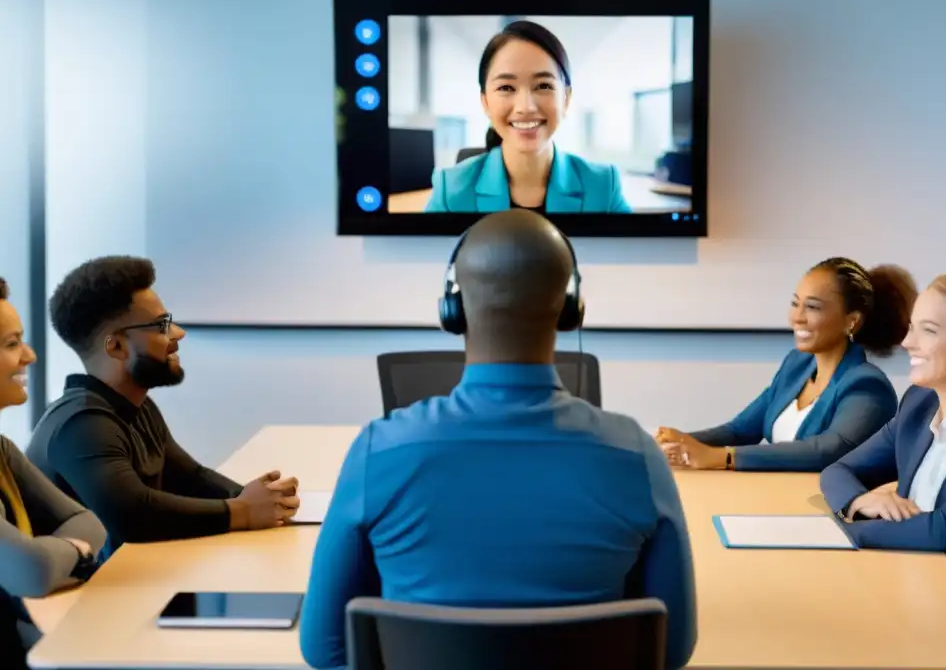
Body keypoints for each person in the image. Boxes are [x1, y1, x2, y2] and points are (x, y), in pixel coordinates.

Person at [300, 210, 696, 670]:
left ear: (452, 307)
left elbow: (323, 650)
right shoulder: (637, 457)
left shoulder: (378, 452)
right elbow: (672, 649)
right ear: (571, 308)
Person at [25, 256, 299, 560]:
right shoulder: (82, 424)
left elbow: (191, 477)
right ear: (115, 346)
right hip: (76, 601)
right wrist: (243, 511)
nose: (178, 333)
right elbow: (133, 515)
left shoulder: (135, 407)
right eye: (161, 326)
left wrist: (263, 500)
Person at [821, 274, 946, 633]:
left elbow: (942, 531)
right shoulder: (919, 405)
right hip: (913, 588)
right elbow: (838, 471)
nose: (907, 342)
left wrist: (842, 532)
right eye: (911, 327)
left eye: (927, 330)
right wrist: (857, 504)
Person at [657, 258, 917, 472]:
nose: (796, 317)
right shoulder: (797, 365)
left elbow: (828, 450)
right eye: (795, 303)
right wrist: (682, 441)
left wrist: (723, 457)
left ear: (852, 321)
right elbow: (740, 430)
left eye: (812, 307)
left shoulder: (868, 385)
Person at [0, 278, 107, 670]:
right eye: (12, 344)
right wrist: (76, 551)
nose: (29, 356)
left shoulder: (1, 450)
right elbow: (32, 571)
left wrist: (52, 555)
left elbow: (89, 522)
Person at [422, 20, 632, 214]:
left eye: (543, 86)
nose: (526, 107)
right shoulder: (450, 189)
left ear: (566, 99)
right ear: (485, 102)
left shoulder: (603, 186)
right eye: (506, 87)